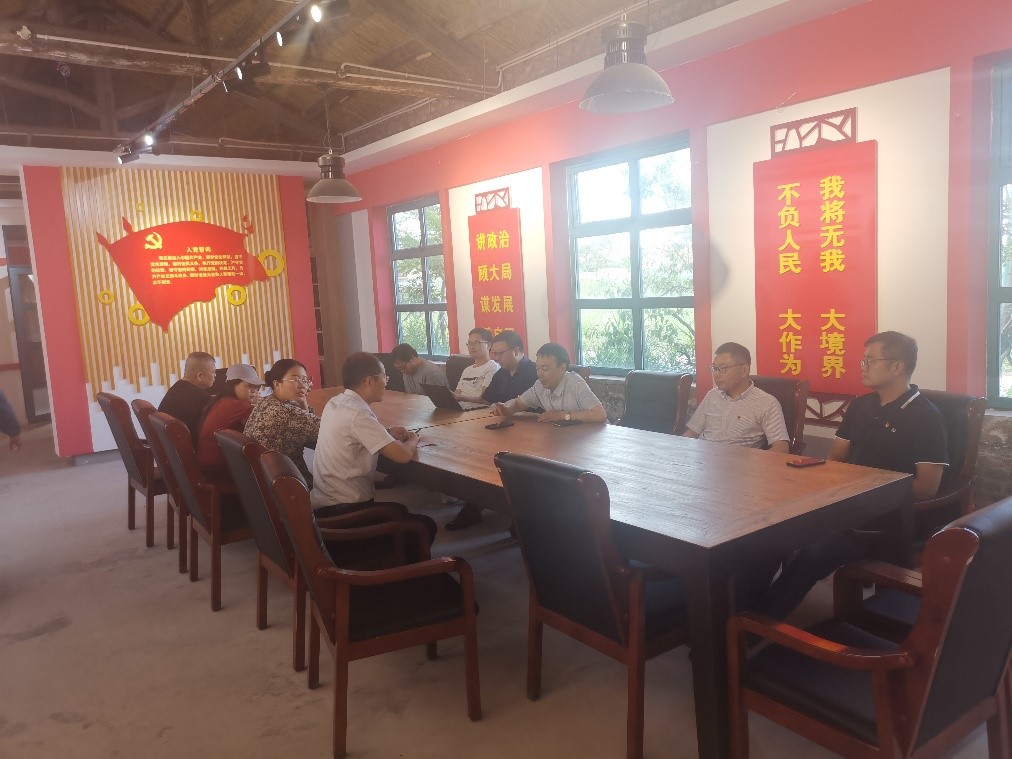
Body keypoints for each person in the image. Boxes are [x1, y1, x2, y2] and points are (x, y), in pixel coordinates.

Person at [756, 331, 949, 620]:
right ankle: (742, 611)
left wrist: (865, 488)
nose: (863, 367)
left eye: (870, 361)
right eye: (863, 360)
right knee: (769, 532)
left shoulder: (925, 416)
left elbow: (927, 486)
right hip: (846, 507)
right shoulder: (860, 406)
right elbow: (837, 458)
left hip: (886, 521)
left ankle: (756, 625)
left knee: (813, 552)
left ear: (897, 366)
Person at [311, 352, 437, 554]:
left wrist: (386, 433)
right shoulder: (358, 413)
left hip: (324, 503)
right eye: (384, 377)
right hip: (343, 513)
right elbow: (403, 456)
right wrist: (413, 438)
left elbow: (354, 433)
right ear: (369, 380)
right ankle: (399, 571)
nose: (386, 382)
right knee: (424, 526)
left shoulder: (336, 402)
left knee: (400, 510)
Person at [683, 342, 790, 453]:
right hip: (701, 456)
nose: (716, 375)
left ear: (744, 370)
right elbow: (692, 432)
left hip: (737, 461)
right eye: (715, 368)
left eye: (723, 368)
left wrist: (755, 462)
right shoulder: (712, 395)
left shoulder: (767, 403)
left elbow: (781, 448)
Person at [244, 358, 320, 484]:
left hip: (263, 480)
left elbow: (308, 420)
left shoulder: (267, 402)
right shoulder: (282, 412)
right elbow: (324, 430)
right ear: (277, 384)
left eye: (304, 380)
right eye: (295, 380)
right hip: (286, 483)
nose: (302, 385)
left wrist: (302, 400)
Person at [492, 342, 607, 423]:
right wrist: (506, 408)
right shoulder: (540, 386)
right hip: (566, 437)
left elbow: (600, 415)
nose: (540, 374)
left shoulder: (575, 383)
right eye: (537, 369)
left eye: (545, 369)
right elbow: (518, 403)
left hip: (595, 438)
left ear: (562, 367)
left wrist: (562, 415)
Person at [195, 364, 262, 475]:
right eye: (249, 385)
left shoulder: (222, 400)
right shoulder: (239, 405)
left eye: (257, 387)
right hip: (218, 470)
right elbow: (263, 425)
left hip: (207, 465)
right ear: (233, 384)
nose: (254, 391)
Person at [158, 351, 216, 439]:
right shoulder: (200, 398)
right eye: (213, 372)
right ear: (199, 376)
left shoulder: (176, 388)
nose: (215, 375)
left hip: (170, 444)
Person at [482, 330, 538, 405]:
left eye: (500, 353)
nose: (496, 358)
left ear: (516, 351)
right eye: (494, 353)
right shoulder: (500, 374)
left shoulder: (536, 372)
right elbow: (487, 400)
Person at [452, 327, 500, 405]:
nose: (472, 347)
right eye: (469, 344)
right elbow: (456, 394)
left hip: (479, 409)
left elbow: (484, 400)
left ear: (489, 345)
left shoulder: (492, 367)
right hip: (461, 407)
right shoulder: (467, 370)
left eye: (476, 343)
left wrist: (459, 397)